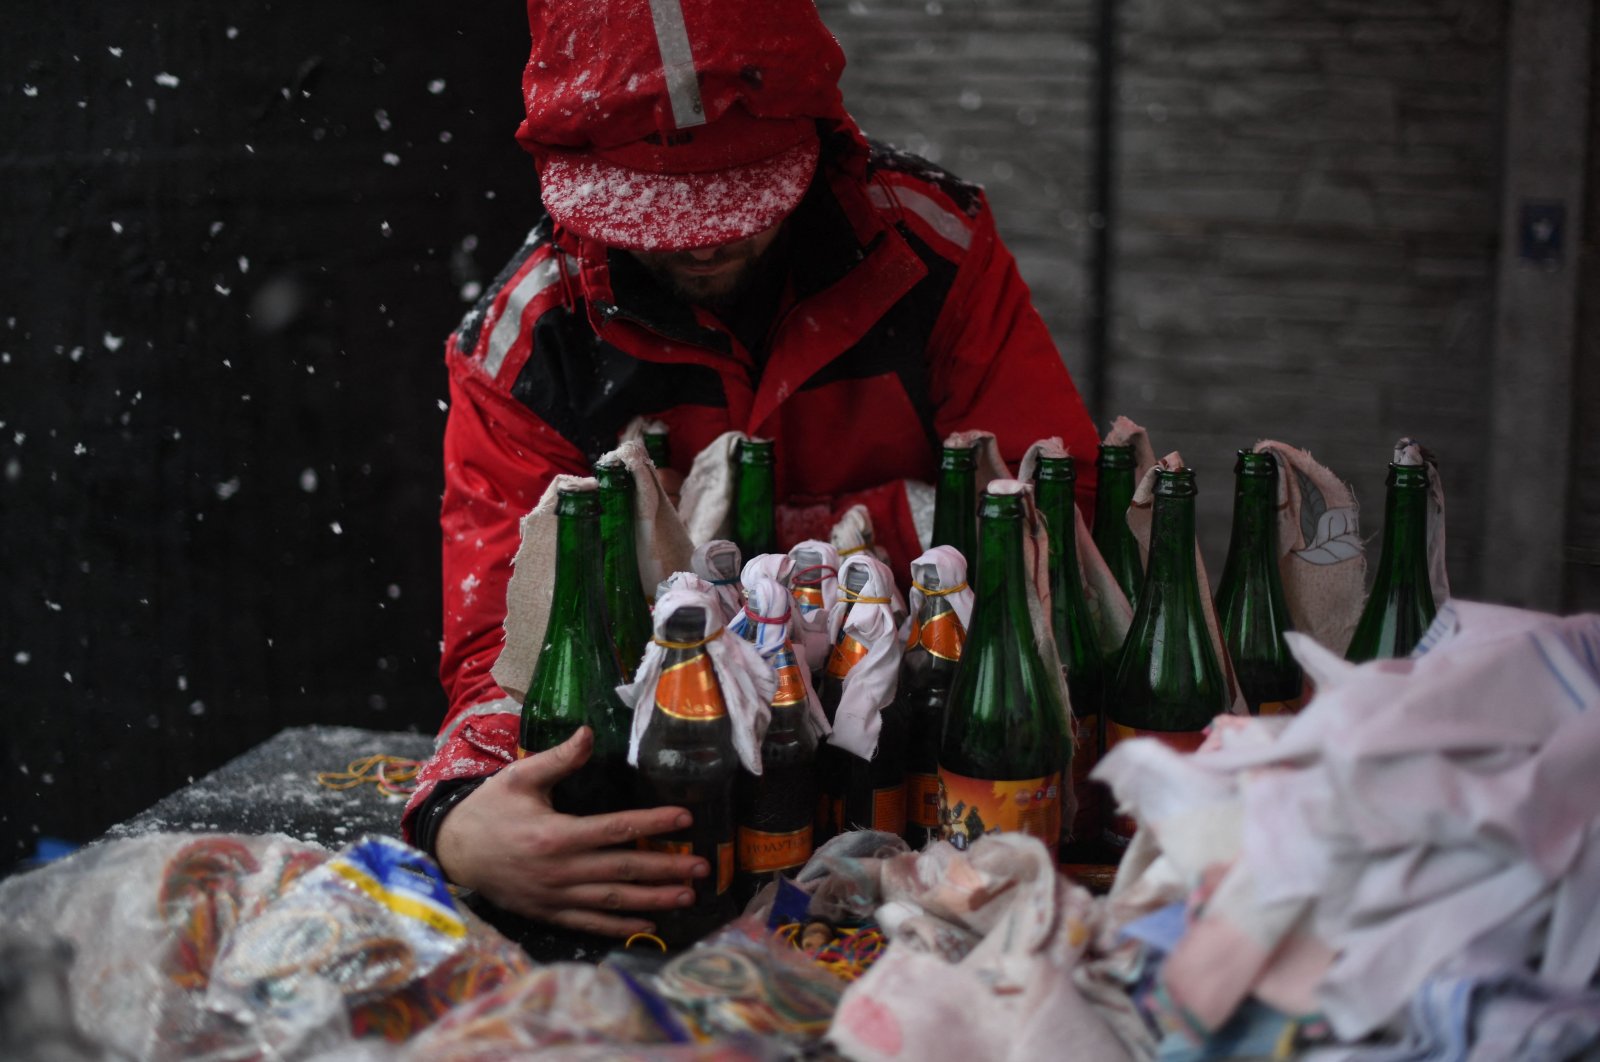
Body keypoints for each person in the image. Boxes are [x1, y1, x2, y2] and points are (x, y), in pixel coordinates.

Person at [402, 0, 1102, 942]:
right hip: (682, 831)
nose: (701, 241)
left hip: (942, 795)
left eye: (740, 193)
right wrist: (461, 812)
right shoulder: (528, 339)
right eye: (653, 207)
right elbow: (503, 640)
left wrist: (740, 557)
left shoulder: (930, 249)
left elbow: (1059, 514)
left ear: (818, 139)